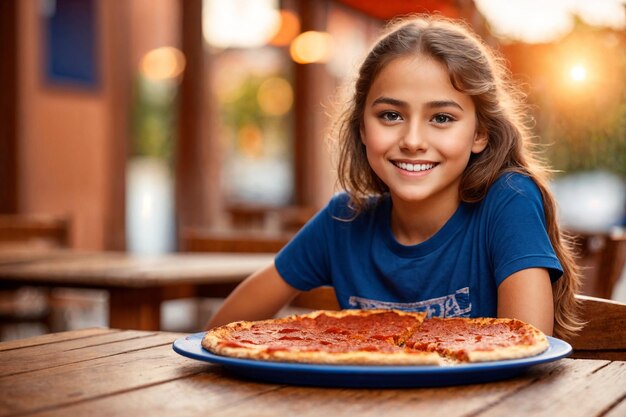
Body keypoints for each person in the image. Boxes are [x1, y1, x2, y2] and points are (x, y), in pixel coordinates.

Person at [207, 14, 583, 338]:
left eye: (442, 118)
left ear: (480, 133)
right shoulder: (343, 221)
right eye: (391, 115)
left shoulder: (509, 200)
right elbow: (219, 333)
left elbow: (527, 351)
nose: (413, 141)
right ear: (361, 128)